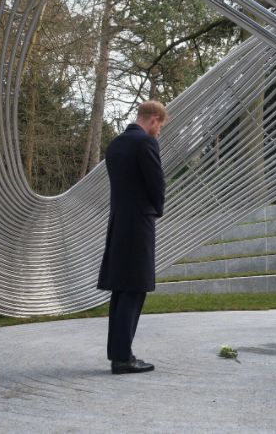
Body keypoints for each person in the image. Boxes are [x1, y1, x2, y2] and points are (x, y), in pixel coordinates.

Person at [98, 100, 168, 374]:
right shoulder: (145, 143)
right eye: (159, 126)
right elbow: (156, 182)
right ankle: (123, 359)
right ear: (153, 119)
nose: (159, 132)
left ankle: (119, 354)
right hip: (139, 223)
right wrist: (157, 209)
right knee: (135, 287)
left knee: (122, 289)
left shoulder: (115, 145)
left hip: (118, 222)